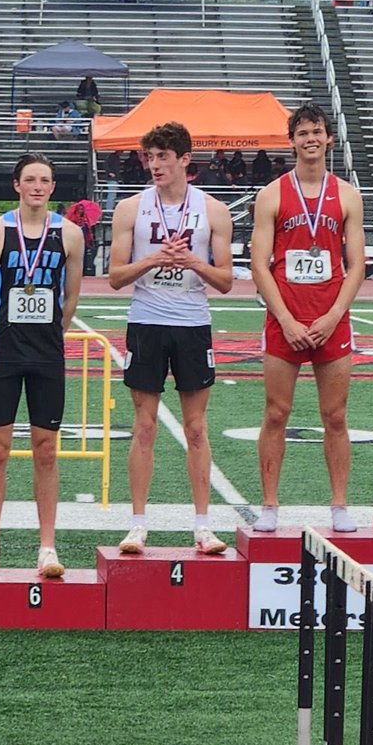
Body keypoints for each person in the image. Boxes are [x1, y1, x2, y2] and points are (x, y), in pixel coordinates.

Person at [108, 123, 234, 553]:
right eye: (150, 157)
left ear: (184, 160)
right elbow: (114, 277)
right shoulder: (130, 208)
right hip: (146, 322)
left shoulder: (213, 210)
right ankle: (138, 524)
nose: (155, 165)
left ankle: (203, 525)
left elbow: (226, 281)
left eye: (163, 157)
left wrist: (194, 264)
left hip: (192, 323)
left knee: (196, 428)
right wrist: (153, 260)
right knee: (144, 427)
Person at [0, 153, 84, 580]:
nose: (38, 186)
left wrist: (54, 332)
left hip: (48, 355)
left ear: (53, 187)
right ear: (16, 185)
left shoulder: (69, 234)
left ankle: (47, 546)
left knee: (46, 451)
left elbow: (70, 298)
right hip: (4, 353)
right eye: (30, 179)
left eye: (45, 180)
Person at [251, 104, 367, 533]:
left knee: (335, 416)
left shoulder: (348, 195)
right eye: (302, 133)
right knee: (276, 413)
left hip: (330, 320)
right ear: (293, 141)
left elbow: (356, 265)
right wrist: (285, 318)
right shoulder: (273, 194)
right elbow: (259, 264)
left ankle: (339, 504)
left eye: (317, 131)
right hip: (286, 320)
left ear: (329, 139)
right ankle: (269, 504)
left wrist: (334, 314)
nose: (310, 139)